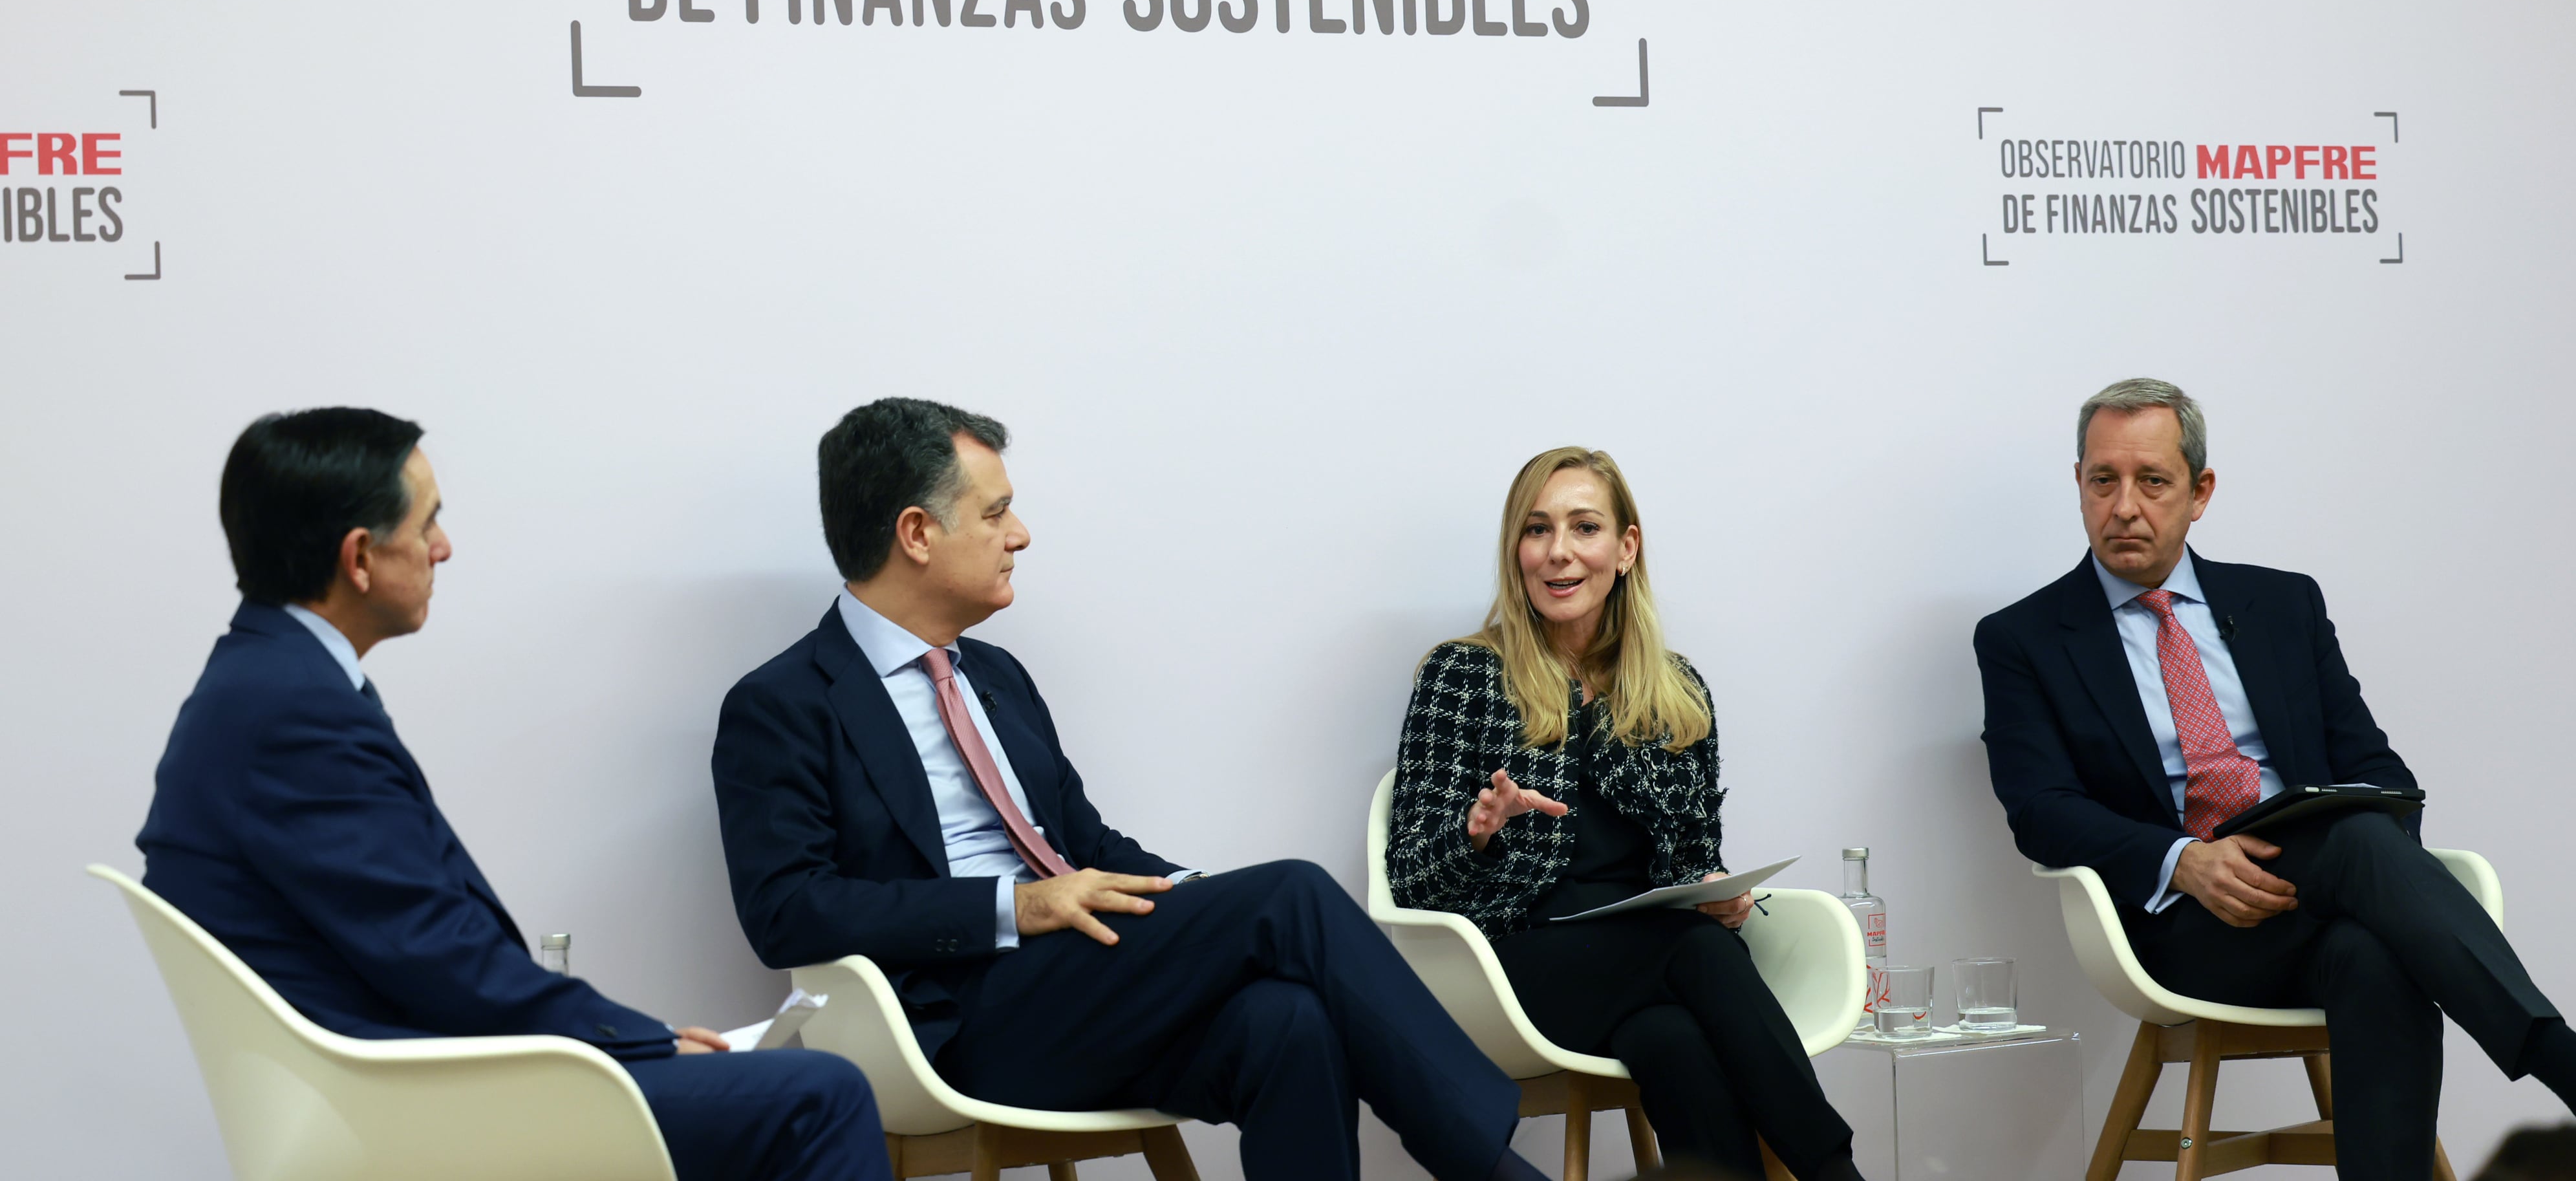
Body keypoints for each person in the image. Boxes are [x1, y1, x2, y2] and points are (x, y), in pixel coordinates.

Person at [711, 397, 1549, 1181]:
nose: (1022, 534)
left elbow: (1090, 846)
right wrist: (1015, 907)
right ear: (918, 533)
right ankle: (1487, 1164)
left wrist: (1195, 906)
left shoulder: (996, 678)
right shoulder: (782, 704)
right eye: (996, 513)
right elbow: (787, 910)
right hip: (952, 1023)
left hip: (1085, 992)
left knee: (1288, 1020)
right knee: (1291, 892)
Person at [139, 409, 886, 1181]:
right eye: (428, 522)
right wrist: (647, 1039)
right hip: (412, 1100)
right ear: (359, 557)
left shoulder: (261, 684)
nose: (444, 547)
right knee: (819, 1092)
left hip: (401, 1079)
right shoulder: (292, 713)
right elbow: (440, 957)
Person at [1977, 377, 2576, 1181]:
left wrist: (2355, 866)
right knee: (2361, 850)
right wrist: (2182, 861)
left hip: (2319, 895)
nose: (2124, 506)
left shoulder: (2283, 604)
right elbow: (2040, 810)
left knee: (2371, 943)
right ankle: (2562, 1061)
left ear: (2200, 491)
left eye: (2152, 481)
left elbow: (2378, 770)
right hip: (2182, 927)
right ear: (2078, 485)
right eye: (2102, 480)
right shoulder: (2024, 638)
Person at [1388, 446, 1869, 1181]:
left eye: (1584, 528)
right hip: (1512, 964)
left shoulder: (1676, 690)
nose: (1558, 553)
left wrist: (1721, 895)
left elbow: (1693, 859)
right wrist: (1476, 831)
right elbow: (1408, 881)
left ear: (1626, 548)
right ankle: (1838, 1174)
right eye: (1537, 530)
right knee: (1696, 953)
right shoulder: (1463, 674)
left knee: (1675, 1041)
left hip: (1647, 968)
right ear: (1515, 549)